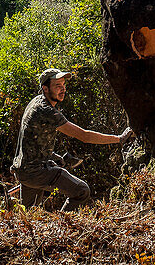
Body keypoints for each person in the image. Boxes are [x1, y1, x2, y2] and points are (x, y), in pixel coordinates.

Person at [11, 68, 132, 210]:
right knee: (82, 191)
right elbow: (84, 136)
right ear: (45, 88)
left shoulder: (35, 102)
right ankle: (63, 224)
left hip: (23, 170)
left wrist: (52, 156)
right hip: (36, 172)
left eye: (63, 85)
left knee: (29, 214)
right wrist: (119, 139)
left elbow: (32, 138)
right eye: (57, 86)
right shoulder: (47, 111)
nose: (62, 90)